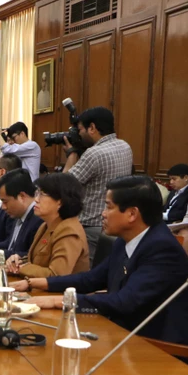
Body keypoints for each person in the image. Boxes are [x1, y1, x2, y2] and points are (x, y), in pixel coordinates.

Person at [12, 176, 188, 346]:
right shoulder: (126, 239)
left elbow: (124, 302)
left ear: (131, 214)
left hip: (158, 347)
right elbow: (90, 280)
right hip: (123, 334)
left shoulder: (161, 248)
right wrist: (38, 283)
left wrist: (60, 301)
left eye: (108, 207)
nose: (103, 214)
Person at [63, 107, 133, 264]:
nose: (79, 134)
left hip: (91, 226)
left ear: (92, 128)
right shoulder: (125, 146)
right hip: (116, 222)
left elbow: (64, 185)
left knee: (88, 272)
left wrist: (72, 154)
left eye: (80, 129)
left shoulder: (94, 154)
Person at [4, 173, 89, 277]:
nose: (36, 199)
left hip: (61, 292)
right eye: (37, 193)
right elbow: (37, 260)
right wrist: (18, 261)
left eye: (42, 195)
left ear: (60, 202)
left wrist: (21, 268)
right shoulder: (45, 225)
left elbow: (56, 275)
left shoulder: (69, 231)